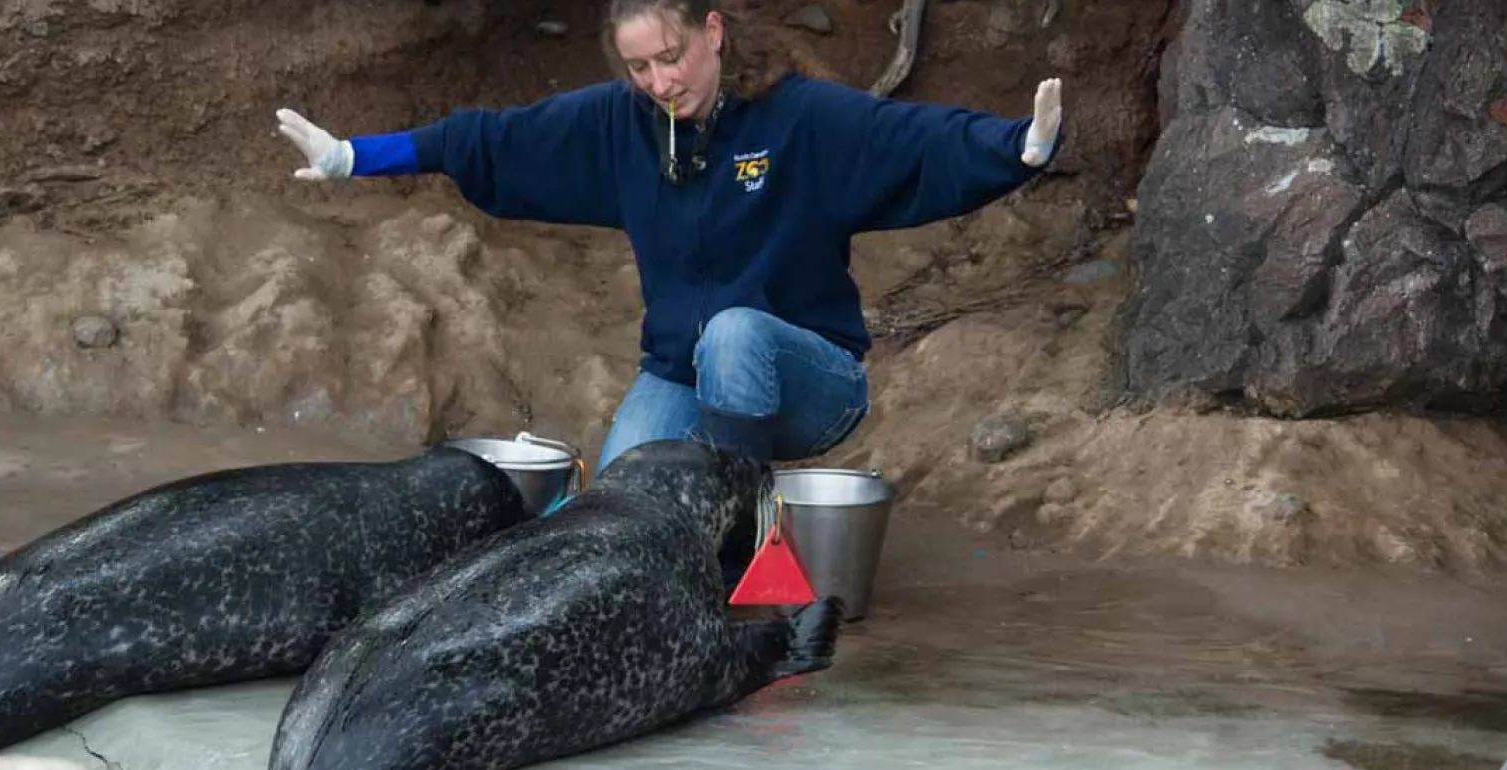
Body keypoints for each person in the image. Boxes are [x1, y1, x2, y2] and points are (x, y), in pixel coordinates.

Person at [274, 0, 1064, 471]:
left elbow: (914, 138)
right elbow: (490, 139)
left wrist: (1019, 146)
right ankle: (697, 520)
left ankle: (739, 524)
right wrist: (355, 156)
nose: (661, 82)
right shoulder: (623, 125)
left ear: (712, 32)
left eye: (672, 57)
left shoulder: (801, 117)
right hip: (682, 377)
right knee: (622, 504)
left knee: (734, 333)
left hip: (810, 380)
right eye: (641, 68)